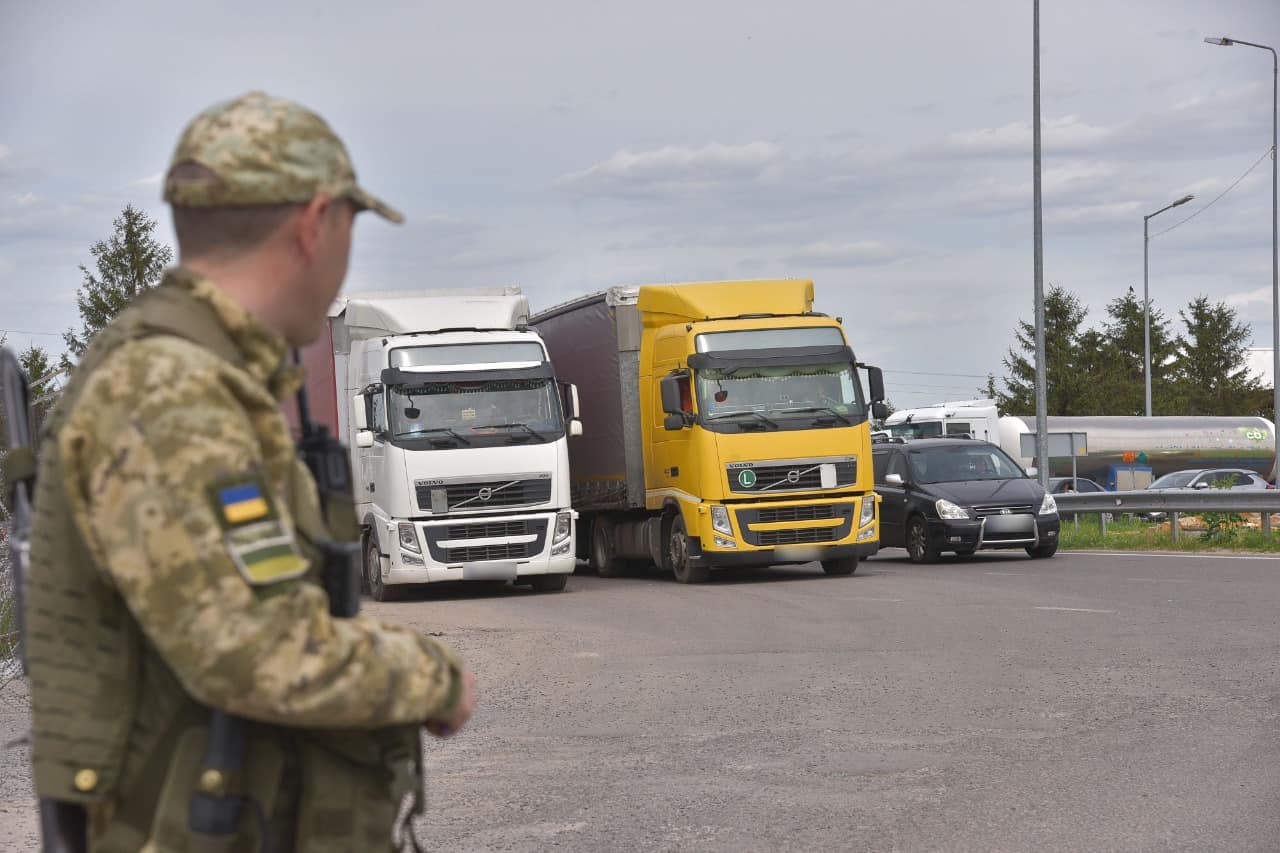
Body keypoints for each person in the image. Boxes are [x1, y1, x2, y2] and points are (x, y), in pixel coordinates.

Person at [24, 91, 475, 851]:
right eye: (351, 228)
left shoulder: (205, 378)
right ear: (314, 224)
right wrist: (434, 673)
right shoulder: (172, 391)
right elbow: (254, 648)